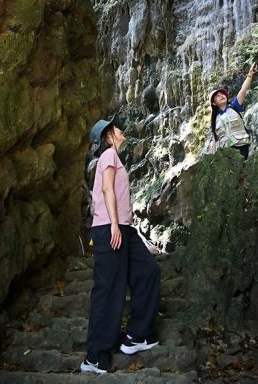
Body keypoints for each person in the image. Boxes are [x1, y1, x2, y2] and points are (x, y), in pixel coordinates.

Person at [80, 114, 161, 375]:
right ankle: (95, 356)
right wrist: (114, 224)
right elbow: (106, 190)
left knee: (148, 271)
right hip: (110, 228)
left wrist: (121, 225)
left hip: (124, 229)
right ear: (108, 136)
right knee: (109, 289)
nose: (120, 129)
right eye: (115, 127)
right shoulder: (108, 155)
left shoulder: (114, 158)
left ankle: (136, 336)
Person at [210, 64, 257, 159]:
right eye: (217, 96)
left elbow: (243, 91)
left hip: (242, 147)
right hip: (226, 153)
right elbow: (215, 140)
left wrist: (250, 74)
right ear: (214, 103)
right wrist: (214, 158)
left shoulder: (234, 106)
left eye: (222, 94)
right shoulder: (215, 119)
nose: (221, 96)